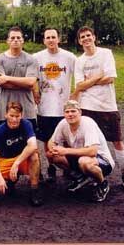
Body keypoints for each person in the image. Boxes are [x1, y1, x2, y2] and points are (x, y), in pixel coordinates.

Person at [71, 26, 124, 192]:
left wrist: (90, 81)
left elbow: (110, 78)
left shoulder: (106, 53)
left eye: (88, 35)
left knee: (117, 141)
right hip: (87, 106)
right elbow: (79, 85)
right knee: (88, 144)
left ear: (94, 37)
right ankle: (91, 174)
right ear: (79, 41)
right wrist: (99, 75)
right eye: (82, 37)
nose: (86, 39)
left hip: (107, 105)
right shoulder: (80, 60)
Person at [32, 27, 77, 182]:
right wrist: (35, 91)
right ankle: (51, 167)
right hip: (44, 107)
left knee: (66, 139)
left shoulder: (69, 57)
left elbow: (79, 76)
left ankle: (68, 168)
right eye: (48, 37)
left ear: (59, 39)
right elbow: (32, 78)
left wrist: (76, 95)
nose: (51, 40)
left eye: (53, 37)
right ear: (44, 40)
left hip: (63, 106)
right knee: (47, 140)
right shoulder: (37, 58)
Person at [47, 100, 114, 202]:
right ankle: (81, 178)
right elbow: (52, 141)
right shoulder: (63, 123)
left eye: (73, 111)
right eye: (67, 112)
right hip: (80, 157)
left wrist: (65, 151)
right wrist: (53, 149)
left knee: (84, 162)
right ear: (64, 114)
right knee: (52, 156)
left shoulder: (88, 123)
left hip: (102, 160)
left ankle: (102, 183)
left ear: (80, 112)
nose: (70, 114)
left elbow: (92, 151)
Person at [0, 101, 44, 207]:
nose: (14, 119)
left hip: (21, 159)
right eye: (11, 115)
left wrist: (17, 163)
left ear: (21, 115)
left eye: (17, 116)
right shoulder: (0, 130)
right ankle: (10, 182)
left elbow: (33, 145)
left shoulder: (26, 124)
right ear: (6, 115)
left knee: (34, 155)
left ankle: (34, 190)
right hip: (6, 160)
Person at [0, 26, 39, 135]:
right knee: (2, 145)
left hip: (26, 109)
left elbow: (31, 83)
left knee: (28, 142)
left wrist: (7, 78)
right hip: (3, 107)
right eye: (12, 38)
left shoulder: (31, 59)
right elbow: (1, 83)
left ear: (23, 40)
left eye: (18, 38)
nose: (15, 40)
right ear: (7, 41)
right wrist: (24, 84)